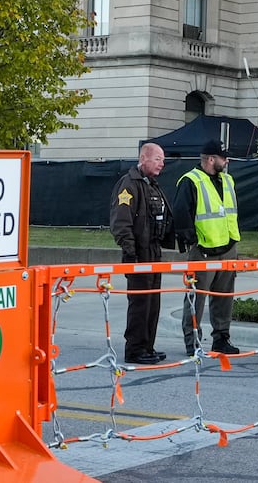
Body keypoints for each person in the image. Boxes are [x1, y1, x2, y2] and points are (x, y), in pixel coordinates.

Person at [172, 139, 241, 356]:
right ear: (211, 159)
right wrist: (193, 242)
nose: (227, 160)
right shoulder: (191, 181)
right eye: (223, 157)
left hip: (227, 247)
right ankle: (192, 341)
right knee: (197, 296)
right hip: (203, 250)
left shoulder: (227, 180)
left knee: (224, 297)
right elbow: (181, 214)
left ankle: (221, 338)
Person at [109, 142, 170, 365]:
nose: (161, 163)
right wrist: (131, 253)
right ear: (143, 159)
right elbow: (121, 223)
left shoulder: (152, 185)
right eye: (157, 159)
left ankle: (148, 346)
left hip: (154, 252)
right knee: (140, 303)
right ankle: (134, 349)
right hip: (138, 255)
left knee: (153, 302)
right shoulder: (129, 185)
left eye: (162, 159)